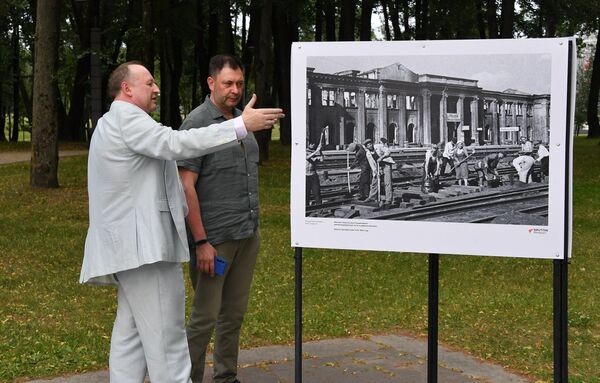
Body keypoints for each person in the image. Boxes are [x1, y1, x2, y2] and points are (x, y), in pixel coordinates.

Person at [79, 61, 283, 383]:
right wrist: (239, 126)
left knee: (129, 341)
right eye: (149, 83)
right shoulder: (127, 118)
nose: (157, 88)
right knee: (169, 348)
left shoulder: (110, 123)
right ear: (127, 89)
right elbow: (175, 144)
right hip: (146, 252)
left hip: (132, 253)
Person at [177, 54, 270, 383]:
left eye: (240, 83)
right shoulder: (197, 123)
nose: (235, 90)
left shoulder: (243, 122)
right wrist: (201, 242)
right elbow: (185, 187)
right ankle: (187, 380)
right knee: (204, 318)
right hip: (214, 243)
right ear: (211, 82)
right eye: (228, 83)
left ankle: (226, 378)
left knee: (233, 315)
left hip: (246, 235)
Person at [374, 137, 395, 206]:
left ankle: (388, 199)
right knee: (379, 181)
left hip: (386, 164)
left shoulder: (380, 146)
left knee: (387, 182)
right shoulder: (371, 149)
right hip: (379, 165)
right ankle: (381, 197)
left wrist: (381, 157)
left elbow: (388, 152)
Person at [306, 141, 324, 205]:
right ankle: (307, 208)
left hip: (313, 175)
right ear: (309, 144)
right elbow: (307, 157)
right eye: (311, 143)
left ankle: (319, 207)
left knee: (317, 193)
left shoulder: (315, 152)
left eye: (314, 143)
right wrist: (316, 151)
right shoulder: (305, 151)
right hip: (305, 176)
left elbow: (322, 159)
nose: (313, 144)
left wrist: (321, 151)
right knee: (306, 194)